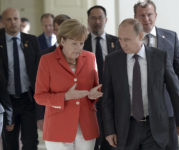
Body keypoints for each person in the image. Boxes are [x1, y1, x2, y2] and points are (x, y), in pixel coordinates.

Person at [102, 18, 179, 150]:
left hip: (154, 127)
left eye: (127, 39)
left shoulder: (160, 57)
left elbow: (175, 91)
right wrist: (109, 130)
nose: (122, 43)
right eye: (120, 39)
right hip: (126, 127)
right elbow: (107, 98)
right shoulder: (112, 60)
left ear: (140, 36)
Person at [133, 1, 179, 149]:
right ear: (135, 17)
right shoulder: (128, 40)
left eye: (149, 14)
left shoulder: (171, 37)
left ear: (156, 15)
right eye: (142, 15)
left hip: (168, 106)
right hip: (139, 110)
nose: (146, 19)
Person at [34, 19, 103, 150]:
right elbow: (39, 96)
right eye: (74, 44)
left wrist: (94, 95)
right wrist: (65, 96)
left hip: (86, 128)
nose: (78, 48)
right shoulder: (47, 60)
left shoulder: (90, 58)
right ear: (62, 41)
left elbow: (95, 89)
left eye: (81, 43)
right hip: (58, 128)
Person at [0, 8, 40, 150]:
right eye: (9, 19)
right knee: (9, 144)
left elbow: (39, 73)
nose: (13, 22)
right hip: (6, 101)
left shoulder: (31, 41)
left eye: (16, 19)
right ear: (3, 22)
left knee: (30, 142)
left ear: (20, 20)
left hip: (28, 99)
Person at [83, 5, 120, 150]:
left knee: (111, 140)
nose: (97, 21)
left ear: (106, 20)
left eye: (100, 18)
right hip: (88, 98)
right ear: (88, 20)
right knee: (91, 140)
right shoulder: (82, 43)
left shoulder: (117, 42)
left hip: (113, 98)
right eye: (93, 18)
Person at [36, 14, 71, 131]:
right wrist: (40, 116)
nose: (62, 34)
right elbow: (40, 89)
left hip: (78, 112)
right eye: (58, 30)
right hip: (53, 112)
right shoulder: (44, 56)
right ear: (54, 31)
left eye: (66, 29)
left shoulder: (84, 54)